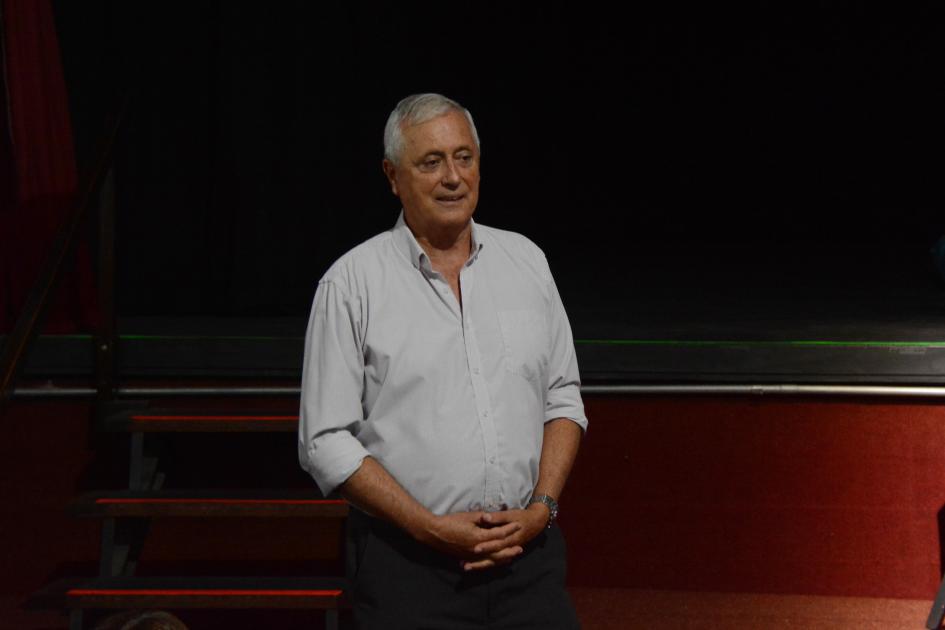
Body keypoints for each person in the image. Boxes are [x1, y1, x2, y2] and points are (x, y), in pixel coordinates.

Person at [298, 93, 587, 629]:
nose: (453, 177)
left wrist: (541, 508)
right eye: (430, 162)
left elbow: (562, 396)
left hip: (528, 562)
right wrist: (429, 527)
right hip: (409, 569)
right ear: (392, 176)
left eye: (464, 157)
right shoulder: (352, 284)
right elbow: (324, 441)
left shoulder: (525, 261)